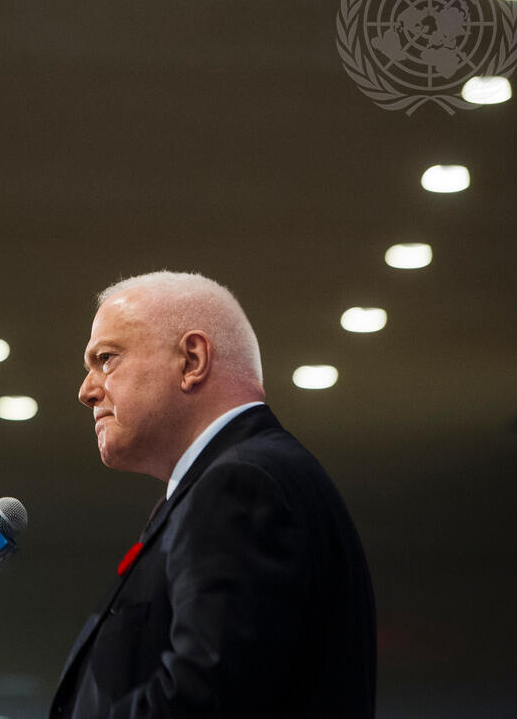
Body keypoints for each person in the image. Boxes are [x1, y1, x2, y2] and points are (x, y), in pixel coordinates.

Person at [52, 271, 376, 718]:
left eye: (106, 359)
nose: (86, 391)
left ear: (192, 360)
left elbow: (202, 702)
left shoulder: (239, 485)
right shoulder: (246, 477)